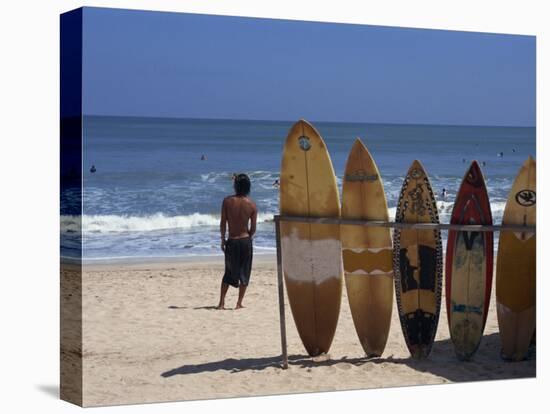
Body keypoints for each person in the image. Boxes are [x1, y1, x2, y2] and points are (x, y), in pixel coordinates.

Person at [216, 173, 258, 310]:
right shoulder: (252, 205)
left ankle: (222, 303)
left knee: (228, 272)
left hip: (232, 241)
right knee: (245, 272)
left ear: (235, 186)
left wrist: (223, 239)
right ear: (248, 187)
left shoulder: (227, 201)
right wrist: (248, 238)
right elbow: (253, 229)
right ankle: (239, 303)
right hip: (245, 241)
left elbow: (223, 223)